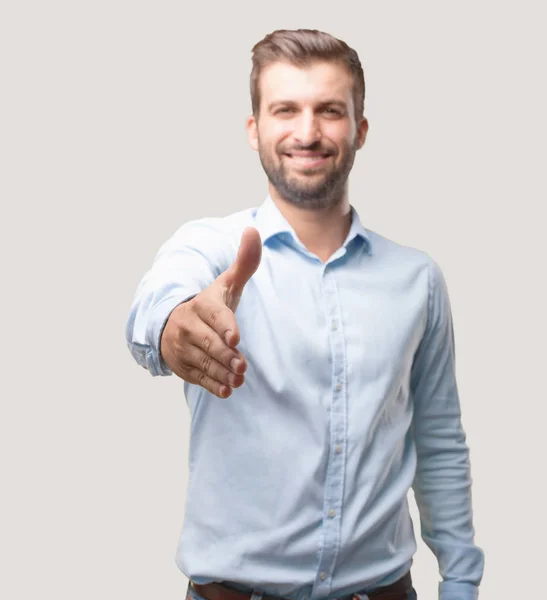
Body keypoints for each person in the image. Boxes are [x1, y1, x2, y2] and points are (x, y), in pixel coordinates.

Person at [126, 29, 484, 600]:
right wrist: (175, 327)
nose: (308, 131)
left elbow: (438, 440)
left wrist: (461, 583)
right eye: (285, 109)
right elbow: (157, 303)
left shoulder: (417, 281)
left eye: (330, 111)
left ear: (360, 130)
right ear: (255, 129)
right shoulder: (211, 249)